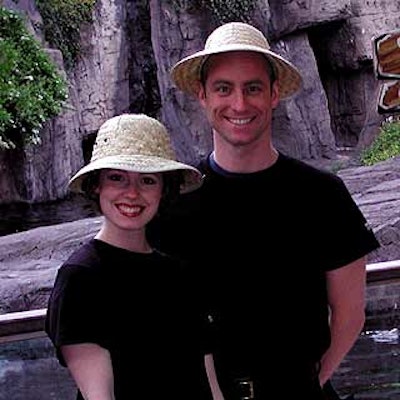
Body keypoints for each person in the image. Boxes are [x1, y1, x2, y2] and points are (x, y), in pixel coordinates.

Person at [148, 22, 380, 399]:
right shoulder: (172, 199)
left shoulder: (322, 195)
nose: (239, 104)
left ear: (274, 94)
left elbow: (350, 315)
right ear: (202, 95)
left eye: (252, 88)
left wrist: (309, 384)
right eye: (224, 88)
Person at [45, 113, 214, 400]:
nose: (132, 193)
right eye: (117, 178)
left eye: (147, 180)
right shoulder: (81, 278)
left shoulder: (180, 273)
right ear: (96, 185)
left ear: (164, 189)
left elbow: (210, 382)